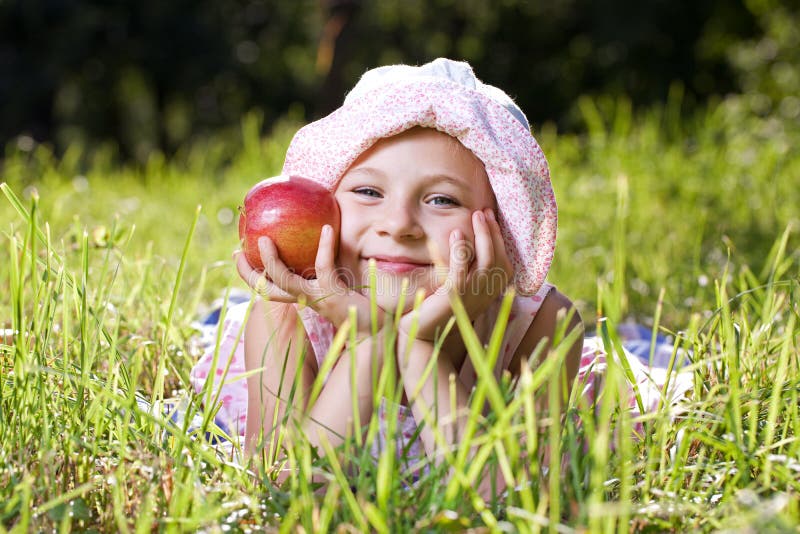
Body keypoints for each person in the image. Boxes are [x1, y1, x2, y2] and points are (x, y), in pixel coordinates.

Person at [188, 58, 691, 485]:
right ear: (326, 208)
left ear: (496, 229)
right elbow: (289, 485)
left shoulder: (539, 325)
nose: (399, 225)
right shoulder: (286, 319)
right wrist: (370, 342)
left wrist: (418, 345)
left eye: (441, 200)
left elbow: (507, 493)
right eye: (368, 191)